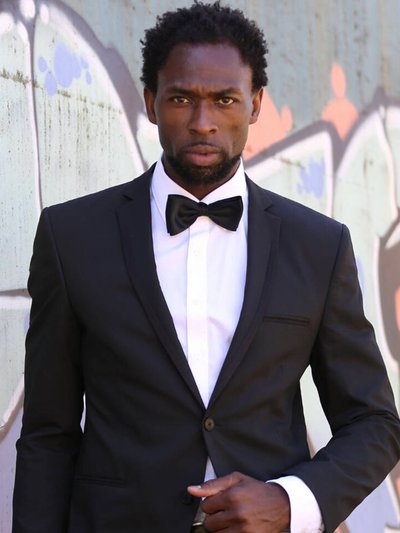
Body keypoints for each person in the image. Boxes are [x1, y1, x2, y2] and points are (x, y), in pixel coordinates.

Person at [12, 2, 400, 532]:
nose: (202, 122)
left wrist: (291, 502)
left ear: (255, 104)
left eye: (224, 100)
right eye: (181, 98)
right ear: (150, 102)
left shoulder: (318, 247)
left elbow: (374, 423)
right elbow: (47, 435)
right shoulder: (72, 237)